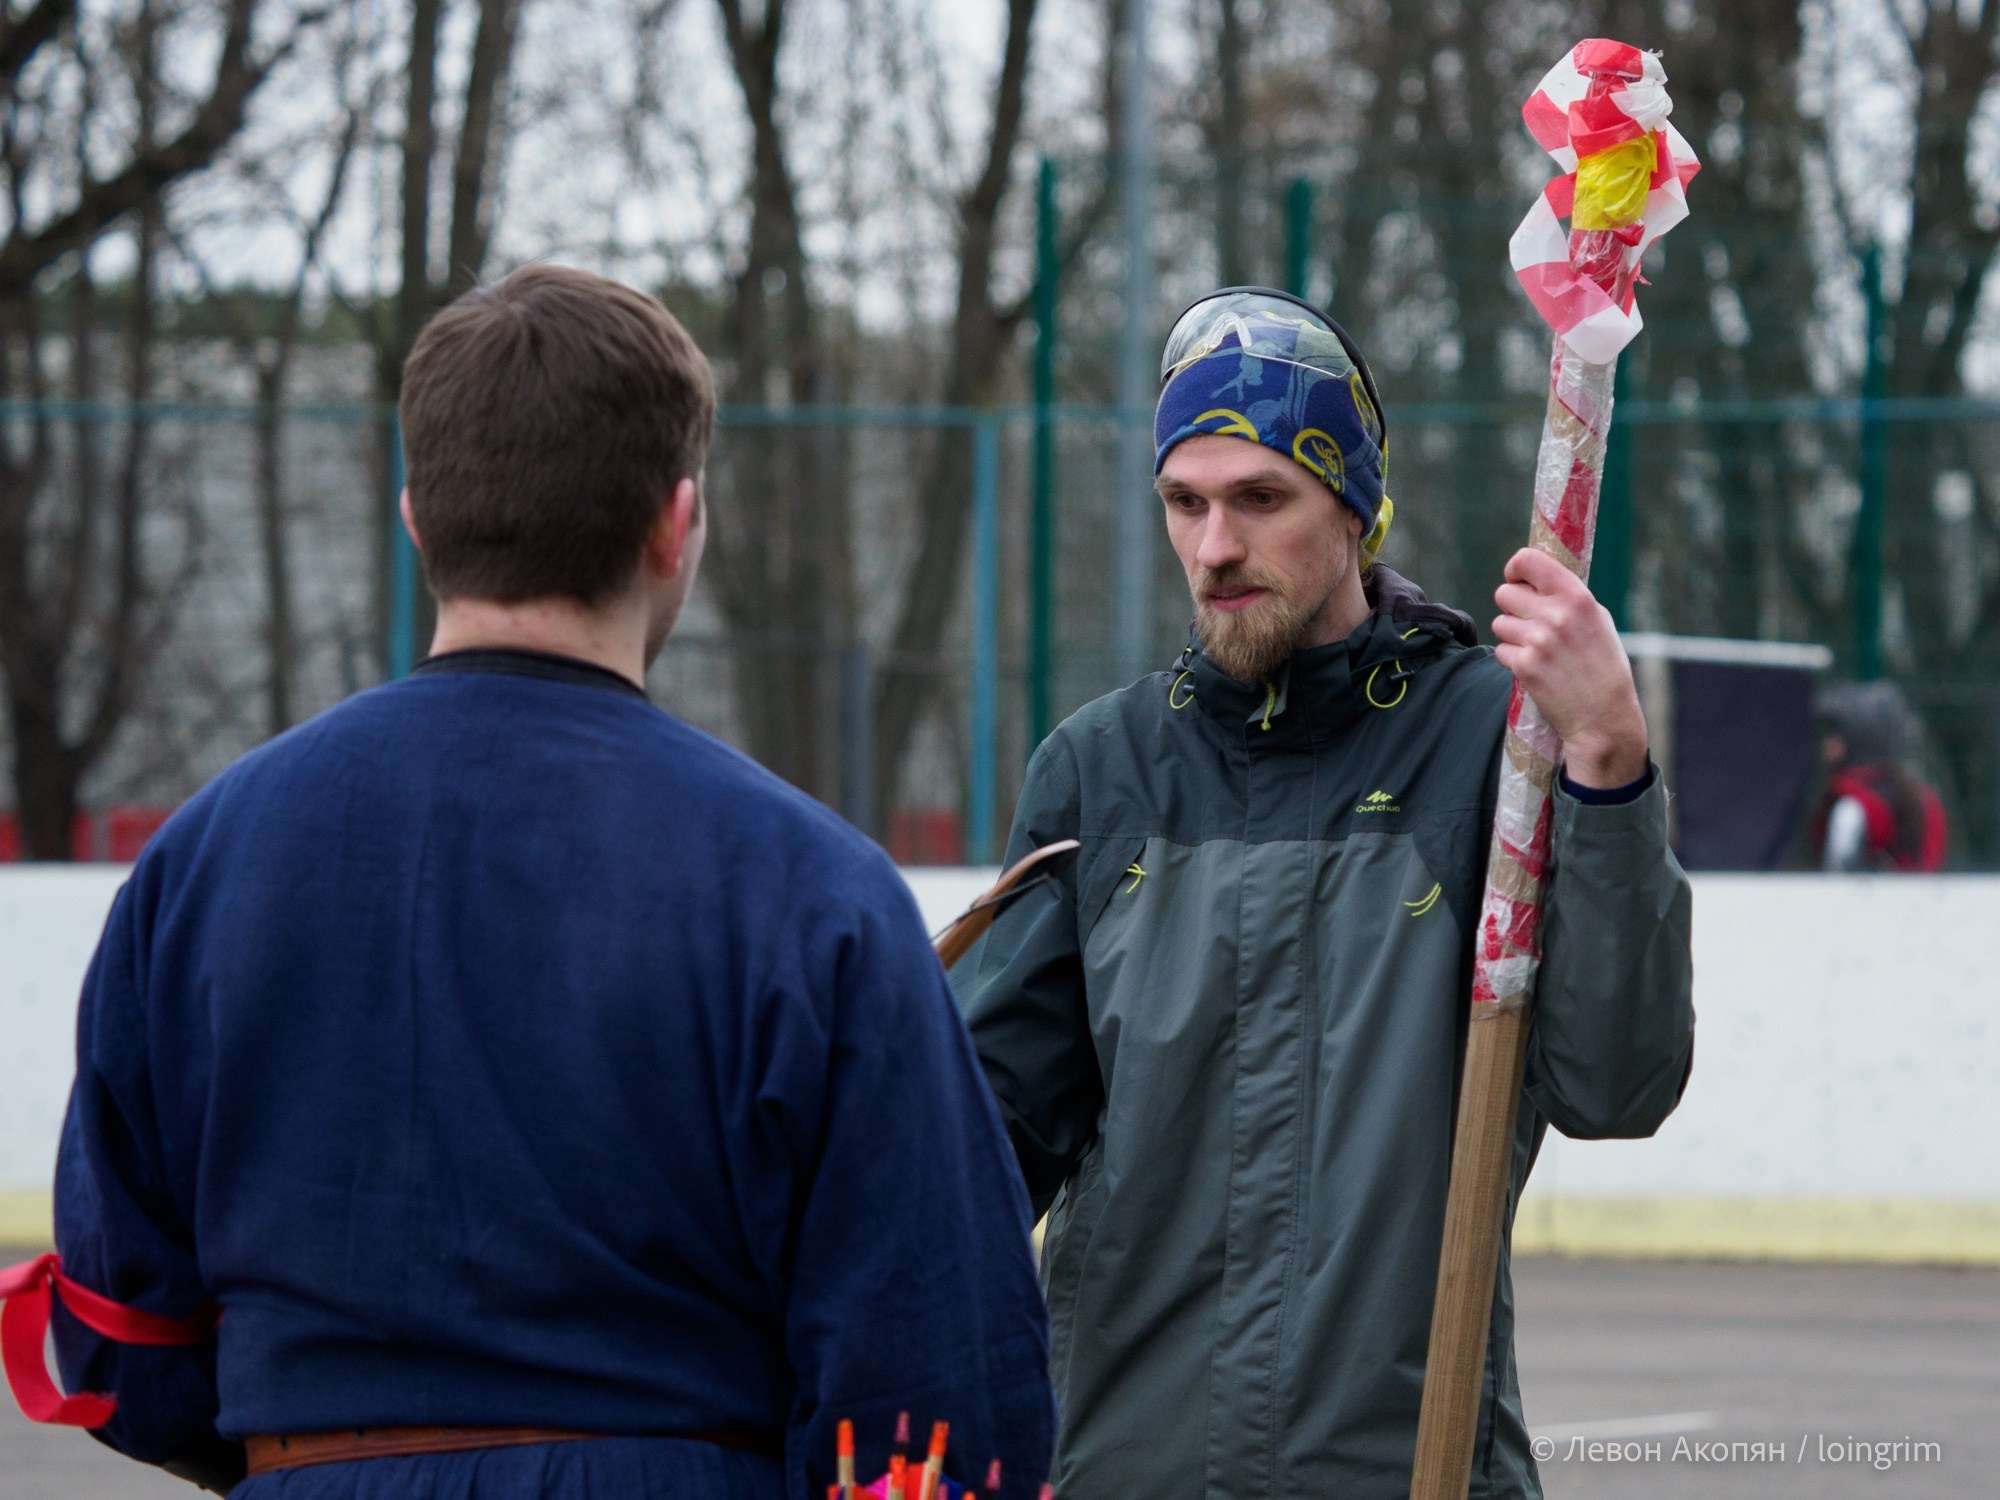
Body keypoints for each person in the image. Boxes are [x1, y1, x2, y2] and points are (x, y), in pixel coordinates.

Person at [19, 264, 1055, 1499]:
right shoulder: (812, 893)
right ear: (676, 524)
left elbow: (119, 1338)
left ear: (418, 518)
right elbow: (936, 1388)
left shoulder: (194, 868)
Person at [951, 289, 1694, 1500]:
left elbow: (1615, 1087)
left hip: (1410, 1469)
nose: (1212, 548)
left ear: (1353, 508)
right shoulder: (1097, 769)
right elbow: (981, 1157)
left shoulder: (1495, 750)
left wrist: (1607, 759)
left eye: (1259, 499)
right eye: (1183, 502)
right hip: (1125, 1472)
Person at [1809, 679, 1947, 872]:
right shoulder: (1922, 796)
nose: (1827, 744)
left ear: (1858, 737)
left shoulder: (1851, 806)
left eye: (1836, 734)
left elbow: (1837, 875)